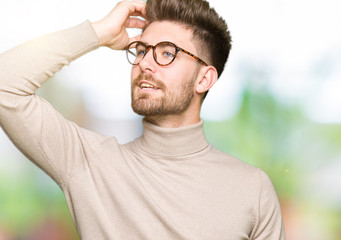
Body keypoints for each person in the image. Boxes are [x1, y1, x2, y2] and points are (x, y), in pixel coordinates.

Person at [0, 0, 286, 239]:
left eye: (166, 53)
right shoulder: (88, 163)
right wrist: (97, 33)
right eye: (140, 50)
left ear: (204, 78)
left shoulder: (252, 189)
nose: (144, 64)